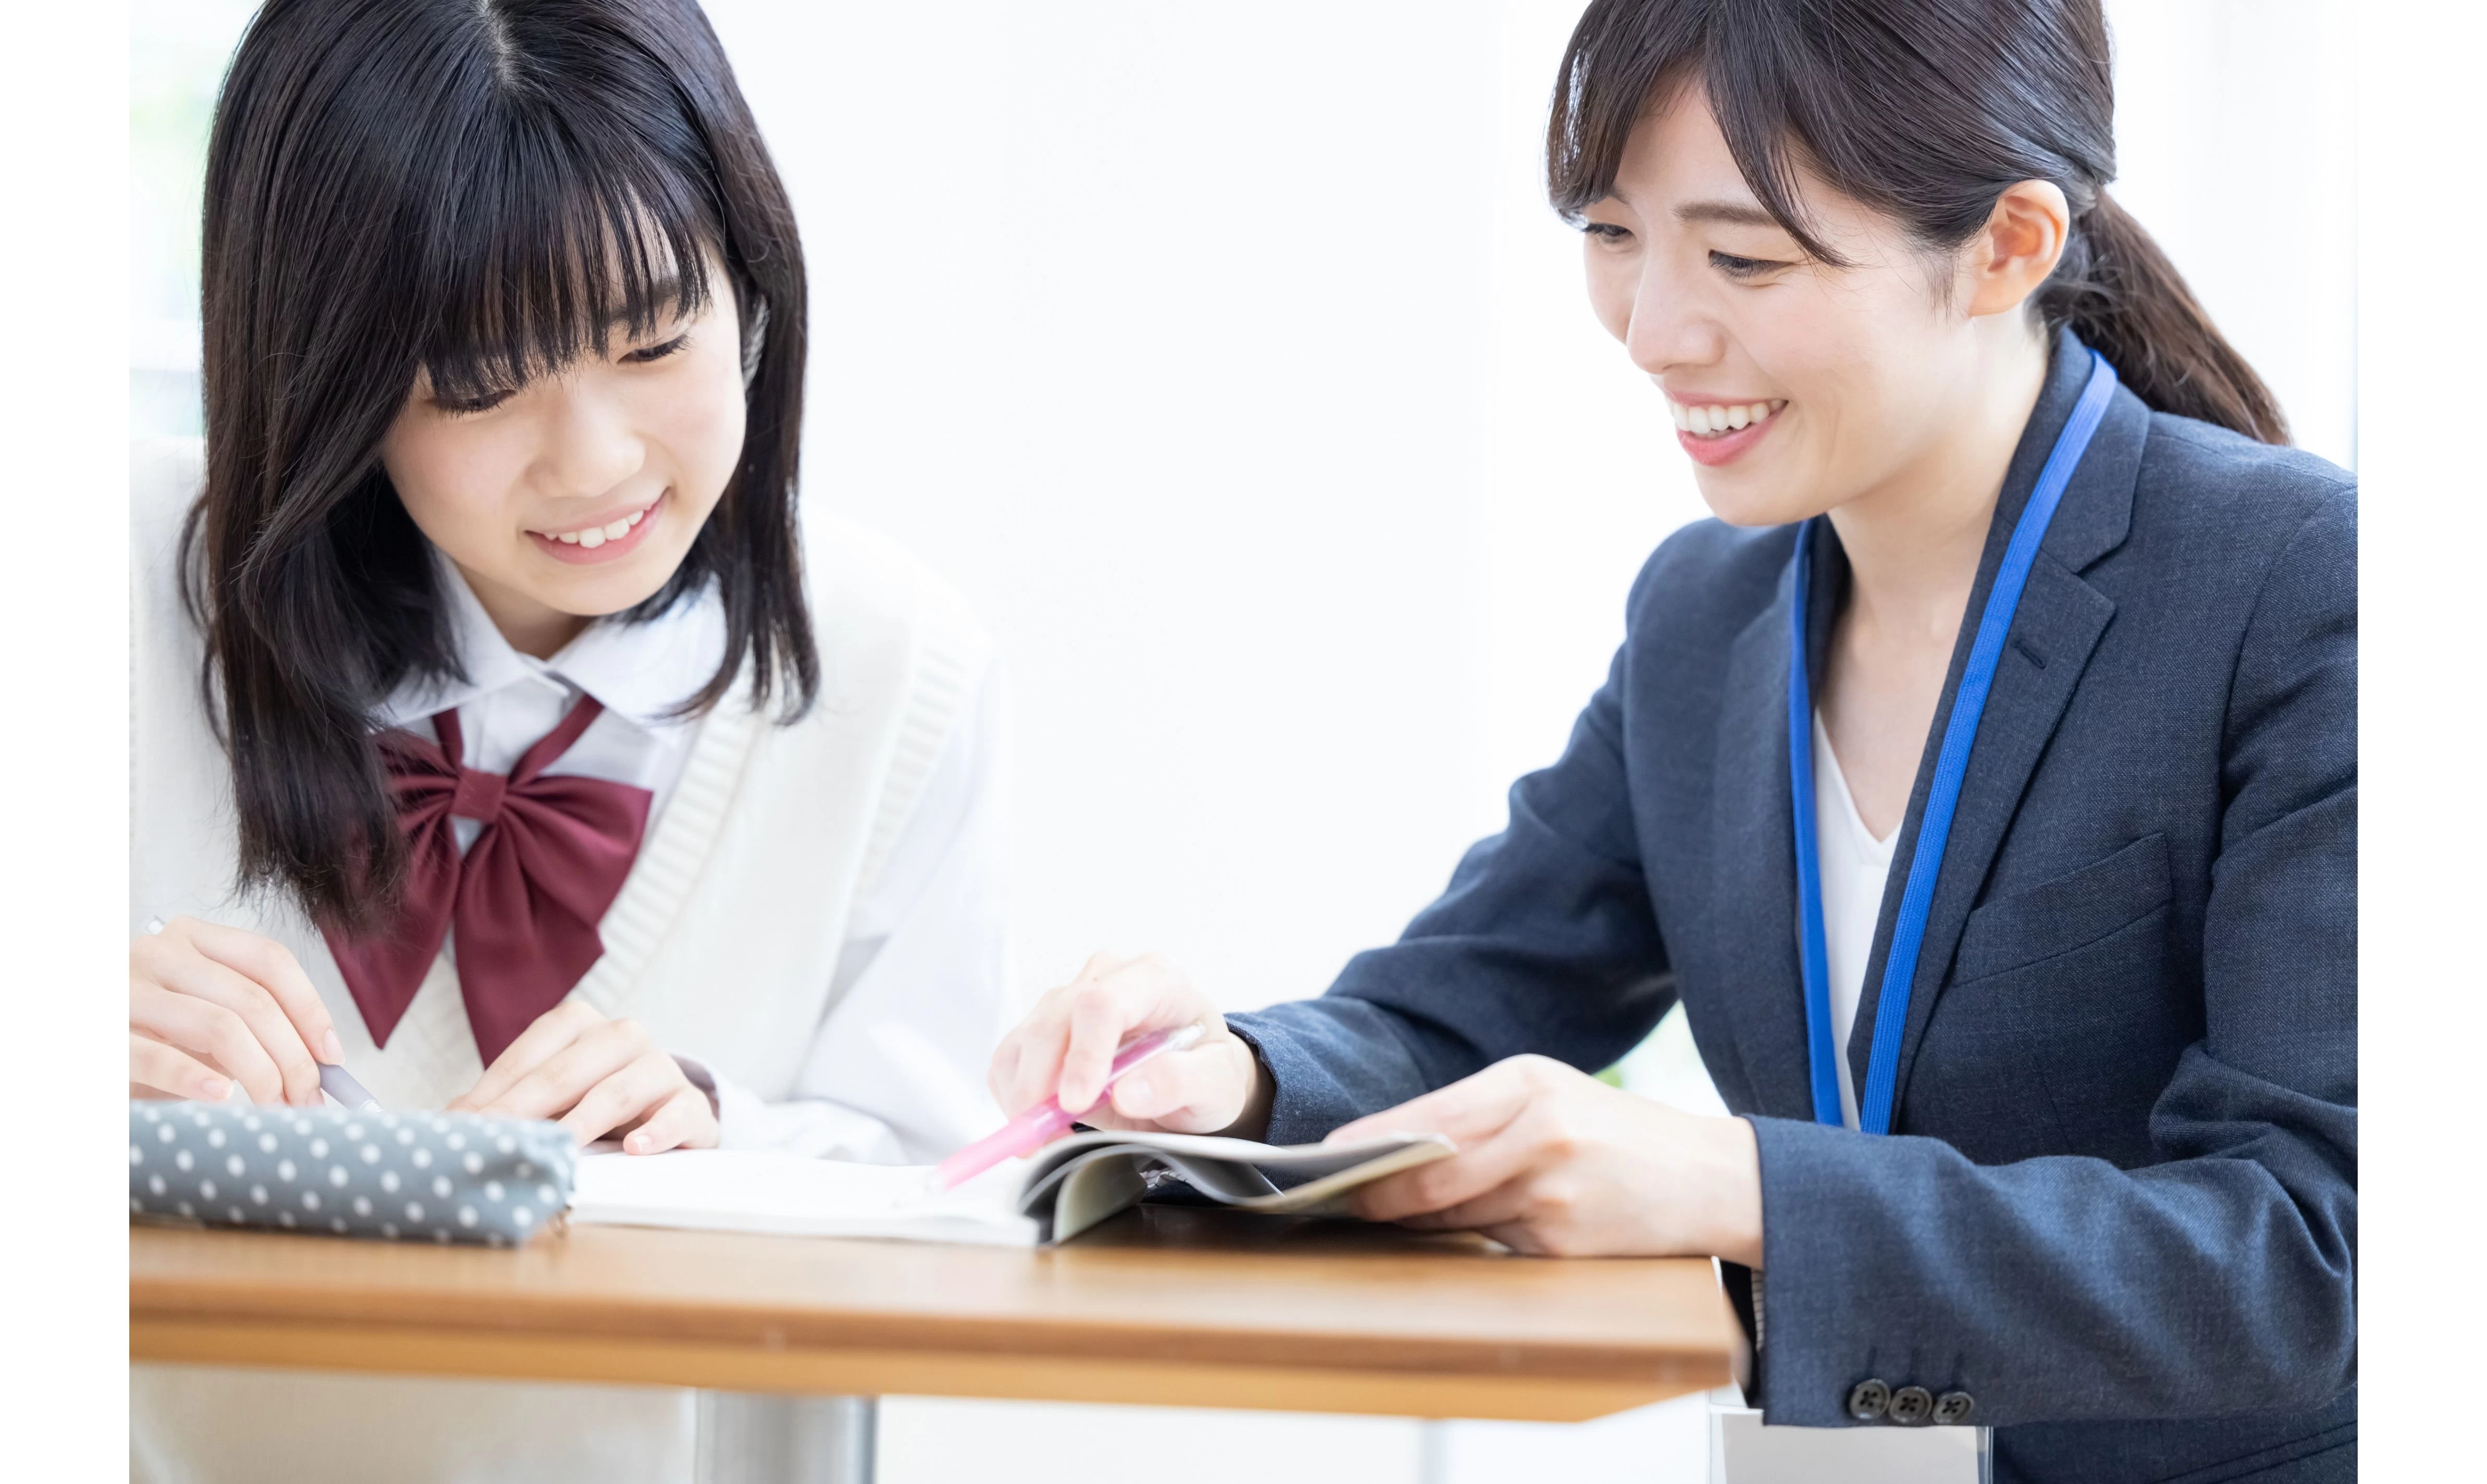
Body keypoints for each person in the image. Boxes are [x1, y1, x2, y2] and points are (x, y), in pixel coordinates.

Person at [986, 2, 2355, 1479]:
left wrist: (1742, 1185)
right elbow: (1461, 1010)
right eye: (1610, 231)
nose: (1651, 333)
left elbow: (2307, 1255)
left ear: (2008, 246)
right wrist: (1226, 1083)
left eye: (1745, 258)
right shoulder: (1708, 615)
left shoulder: (2297, 585)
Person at [129, 1, 1017, 1476]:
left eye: (656, 339)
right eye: (479, 385)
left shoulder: (898, 665)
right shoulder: (96, 577)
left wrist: (714, 1133)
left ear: (752, 290)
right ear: (325, 377)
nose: (596, 464)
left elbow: (953, 1193)